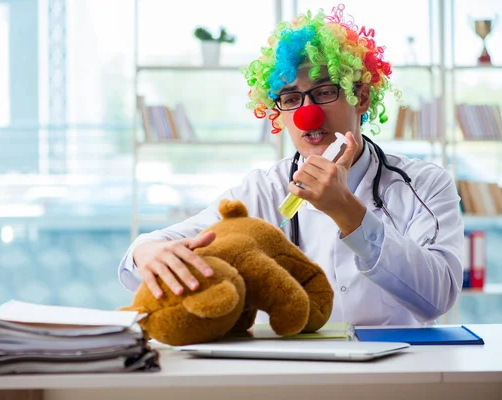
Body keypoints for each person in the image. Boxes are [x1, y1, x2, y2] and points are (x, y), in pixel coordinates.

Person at [118, 5, 464, 326]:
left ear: (360, 98)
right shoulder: (264, 190)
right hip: (297, 373)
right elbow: (162, 246)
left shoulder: (424, 183)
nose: (306, 114)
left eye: (324, 91)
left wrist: (348, 212)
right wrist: (148, 252)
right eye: (291, 98)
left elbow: (438, 297)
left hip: (401, 372)